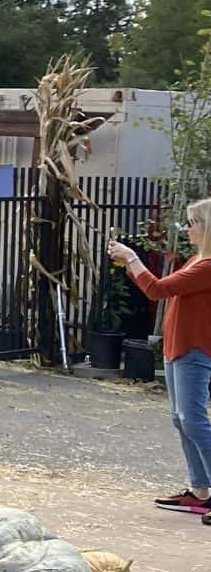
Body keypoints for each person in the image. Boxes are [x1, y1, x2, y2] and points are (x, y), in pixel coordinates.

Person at [110, 198, 211, 516]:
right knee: (182, 421)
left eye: (192, 223)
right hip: (177, 347)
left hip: (194, 348)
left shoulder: (207, 266)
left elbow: (157, 289)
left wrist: (132, 258)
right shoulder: (197, 261)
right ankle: (200, 489)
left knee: (193, 421)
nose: (188, 229)